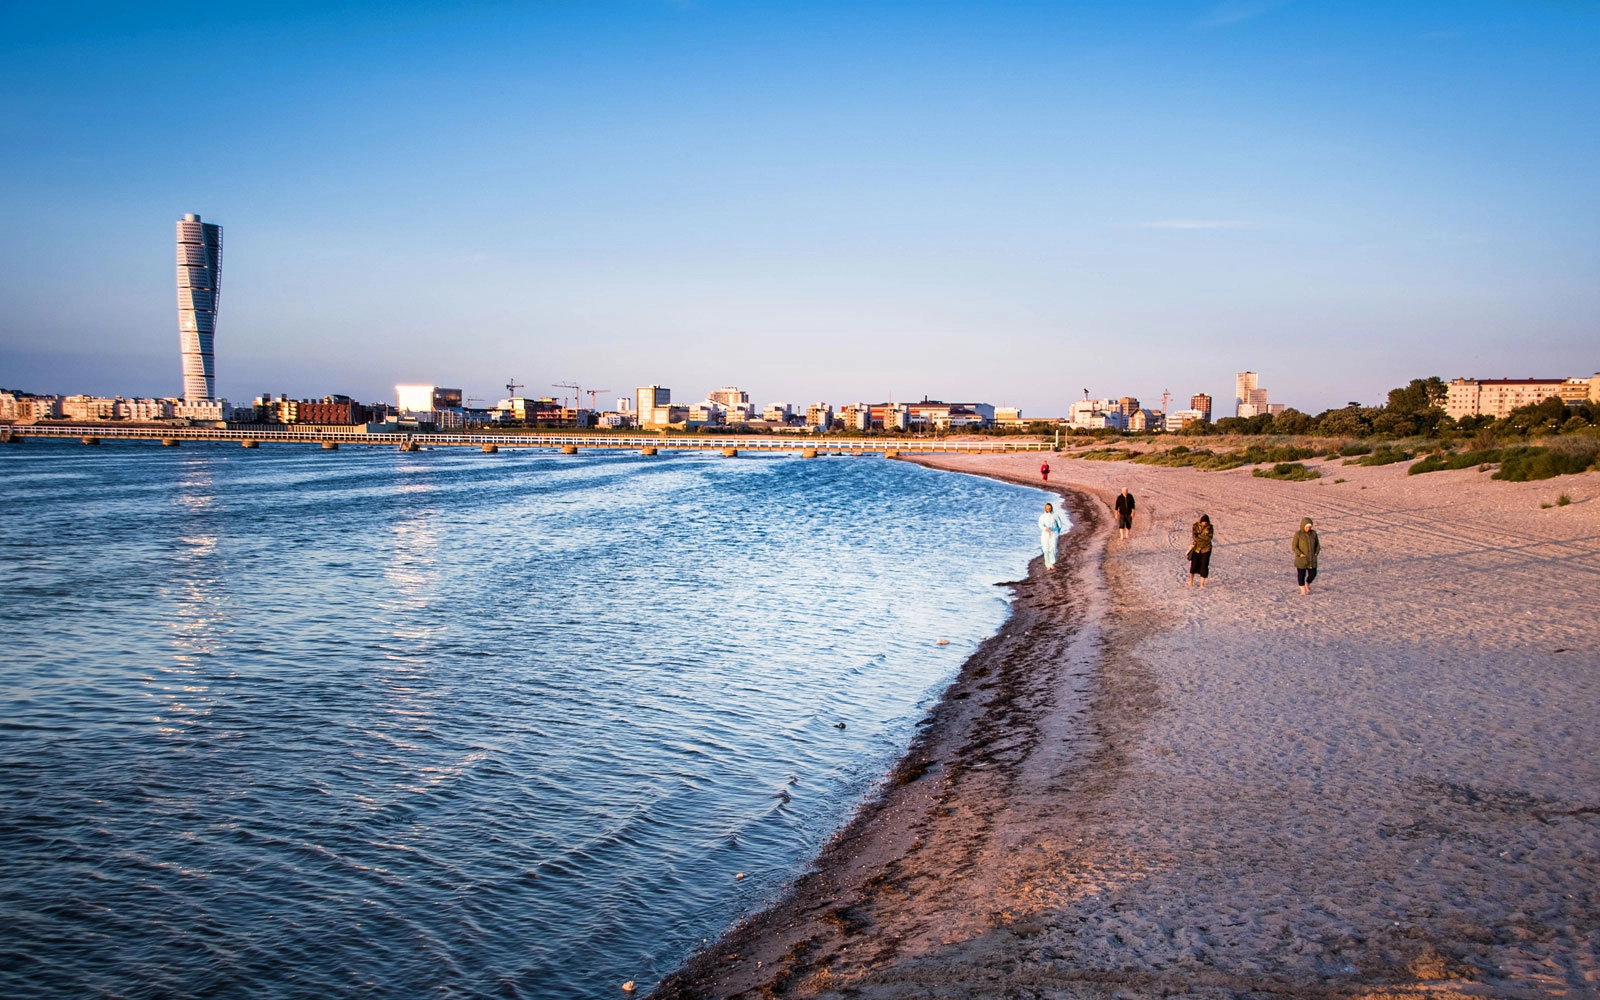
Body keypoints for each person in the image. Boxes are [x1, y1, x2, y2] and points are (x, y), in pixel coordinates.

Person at [1038, 502, 1072, 571]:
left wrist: (1057, 532)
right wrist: (1045, 529)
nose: (1048, 509)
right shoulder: (1042, 516)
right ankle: (1047, 565)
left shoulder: (1055, 515)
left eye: (1049, 508)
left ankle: (1052, 563)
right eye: (1047, 508)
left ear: (1051, 508)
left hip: (1054, 534)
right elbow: (1040, 525)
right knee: (1046, 549)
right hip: (1045, 535)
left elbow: (1060, 525)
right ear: (1045, 508)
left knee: (1053, 547)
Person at [1293, 517, 1320, 594]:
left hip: (1312, 559)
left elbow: (1317, 545)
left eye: (1310, 527)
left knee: (1313, 574)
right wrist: (1299, 553)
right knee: (1301, 575)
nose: (1308, 528)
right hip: (1302, 560)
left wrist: (1316, 552)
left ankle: (1307, 584)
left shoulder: (1313, 534)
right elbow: (1294, 546)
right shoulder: (1298, 534)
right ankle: (1302, 589)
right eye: (1307, 527)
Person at [1188, 514, 1213, 588]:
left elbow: (1209, 538)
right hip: (1197, 549)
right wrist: (1203, 538)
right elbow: (1195, 537)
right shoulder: (1195, 526)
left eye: (1206, 522)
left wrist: (1200, 537)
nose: (1205, 523)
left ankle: (1202, 584)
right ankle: (1191, 582)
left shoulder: (1210, 527)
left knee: (1204, 566)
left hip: (1206, 549)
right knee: (1194, 565)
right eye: (1204, 522)